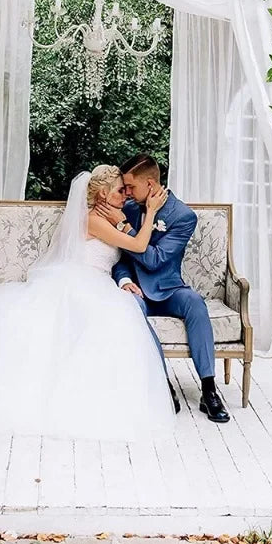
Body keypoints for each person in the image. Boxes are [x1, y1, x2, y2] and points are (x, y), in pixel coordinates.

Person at [0, 166, 176, 441]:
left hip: (95, 282)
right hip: (81, 282)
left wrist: (122, 219)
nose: (124, 195)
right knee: (111, 320)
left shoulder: (106, 218)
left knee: (117, 319)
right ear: (102, 194)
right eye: (119, 191)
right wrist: (149, 212)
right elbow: (138, 246)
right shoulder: (93, 220)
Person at [98, 154, 230, 424]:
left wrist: (125, 226)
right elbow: (120, 257)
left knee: (195, 303)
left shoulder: (183, 216)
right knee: (132, 308)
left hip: (168, 289)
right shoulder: (131, 208)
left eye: (131, 187)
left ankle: (208, 388)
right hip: (136, 289)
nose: (127, 193)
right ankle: (164, 385)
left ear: (150, 183)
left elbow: (155, 258)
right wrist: (124, 281)